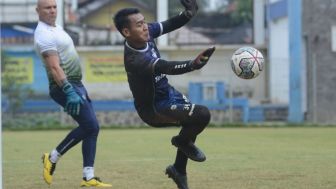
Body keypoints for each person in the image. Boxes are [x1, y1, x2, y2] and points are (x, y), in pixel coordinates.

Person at [113, 0, 215, 188]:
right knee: (201, 115)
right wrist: (193, 64)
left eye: (144, 22)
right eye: (139, 25)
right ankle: (180, 143)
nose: (145, 27)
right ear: (126, 32)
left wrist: (188, 14)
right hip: (153, 108)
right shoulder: (135, 59)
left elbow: (168, 25)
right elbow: (166, 66)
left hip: (168, 94)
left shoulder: (145, 33)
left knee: (192, 121)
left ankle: (178, 170)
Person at [34, 0, 111, 187]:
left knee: (92, 128)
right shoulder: (43, 34)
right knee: (91, 126)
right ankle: (52, 157)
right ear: (38, 11)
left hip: (76, 84)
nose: (52, 10)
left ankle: (88, 176)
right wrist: (69, 90)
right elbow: (54, 66)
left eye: (54, 7)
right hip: (65, 87)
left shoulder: (56, 28)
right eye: (47, 8)